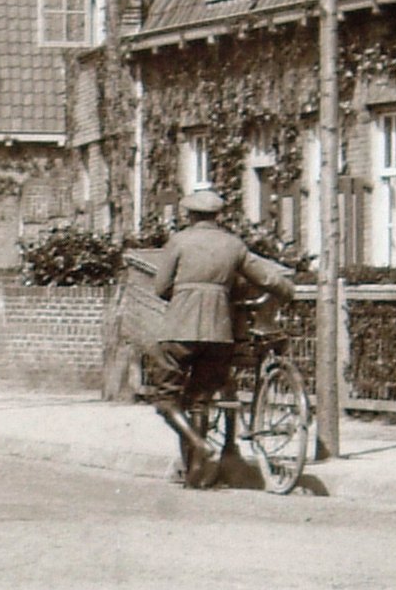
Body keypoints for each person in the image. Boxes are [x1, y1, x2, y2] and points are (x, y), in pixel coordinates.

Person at [126, 188, 295, 487]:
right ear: (218, 215)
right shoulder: (233, 245)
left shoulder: (179, 242)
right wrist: (288, 290)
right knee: (201, 400)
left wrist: (186, 294)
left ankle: (198, 444)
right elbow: (266, 277)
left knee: (165, 399)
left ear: (190, 215)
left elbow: (161, 287)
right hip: (219, 332)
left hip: (180, 329)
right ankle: (195, 474)